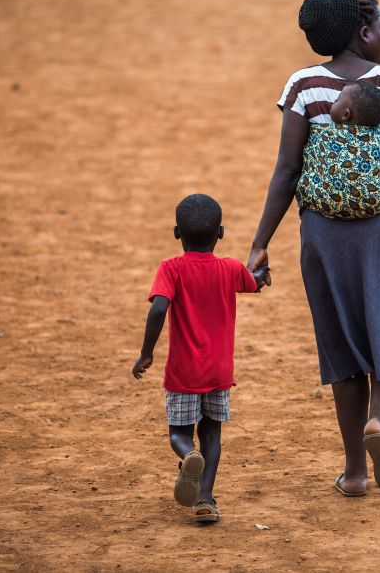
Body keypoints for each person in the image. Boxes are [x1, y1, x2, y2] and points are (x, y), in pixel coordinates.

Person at [248, 0, 380, 497]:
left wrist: (259, 244)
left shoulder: (303, 86)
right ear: (364, 33)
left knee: (342, 347)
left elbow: (287, 170)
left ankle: (355, 473)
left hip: (323, 233)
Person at [132, 193, 268, 522]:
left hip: (183, 373)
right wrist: (262, 274)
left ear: (177, 233)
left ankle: (188, 454)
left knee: (180, 432)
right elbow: (255, 282)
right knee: (212, 434)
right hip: (218, 371)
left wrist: (146, 353)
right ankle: (205, 499)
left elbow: (159, 309)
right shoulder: (230, 268)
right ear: (220, 233)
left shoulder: (171, 269)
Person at [296, 79, 380, 220]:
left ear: (345, 115)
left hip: (324, 208)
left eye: (337, 99)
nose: (333, 101)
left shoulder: (321, 133)